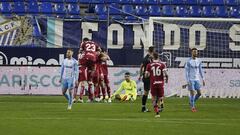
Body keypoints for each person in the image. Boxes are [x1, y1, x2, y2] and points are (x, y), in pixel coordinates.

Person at [145, 52, 168, 117]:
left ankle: (157, 113)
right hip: (160, 83)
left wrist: (149, 74)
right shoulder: (162, 64)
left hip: (153, 83)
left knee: (153, 98)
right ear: (158, 57)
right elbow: (166, 74)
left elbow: (146, 75)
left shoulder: (149, 65)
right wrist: (166, 80)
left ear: (152, 57)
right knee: (160, 96)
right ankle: (161, 103)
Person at [79, 38, 100, 102]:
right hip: (93, 60)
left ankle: (81, 98)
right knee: (90, 81)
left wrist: (84, 54)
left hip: (86, 59)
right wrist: (94, 55)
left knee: (85, 81)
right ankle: (92, 98)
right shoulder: (95, 44)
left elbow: (80, 51)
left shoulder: (83, 43)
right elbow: (99, 51)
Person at [185, 48, 205, 112]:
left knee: (199, 93)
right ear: (192, 53)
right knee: (192, 93)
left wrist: (203, 79)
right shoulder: (188, 61)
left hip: (197, 79)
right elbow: (186, 72)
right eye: (194, 52)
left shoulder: (199, 61)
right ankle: (193, 107)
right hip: (191, 79)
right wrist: (188, 81)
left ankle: (191, 102)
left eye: (196, 52)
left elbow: (200, 70)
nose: (195, 53)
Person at [139, 46, 155, 112]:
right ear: (153, 51)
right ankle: (144, 107)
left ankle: (145, 107)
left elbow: (141, 66)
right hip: (148, 77)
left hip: (148, 77)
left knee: (148, 92)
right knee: (147, 92)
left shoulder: (146, 58)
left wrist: (140, 75)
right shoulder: (148, 59)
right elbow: (141, 66)